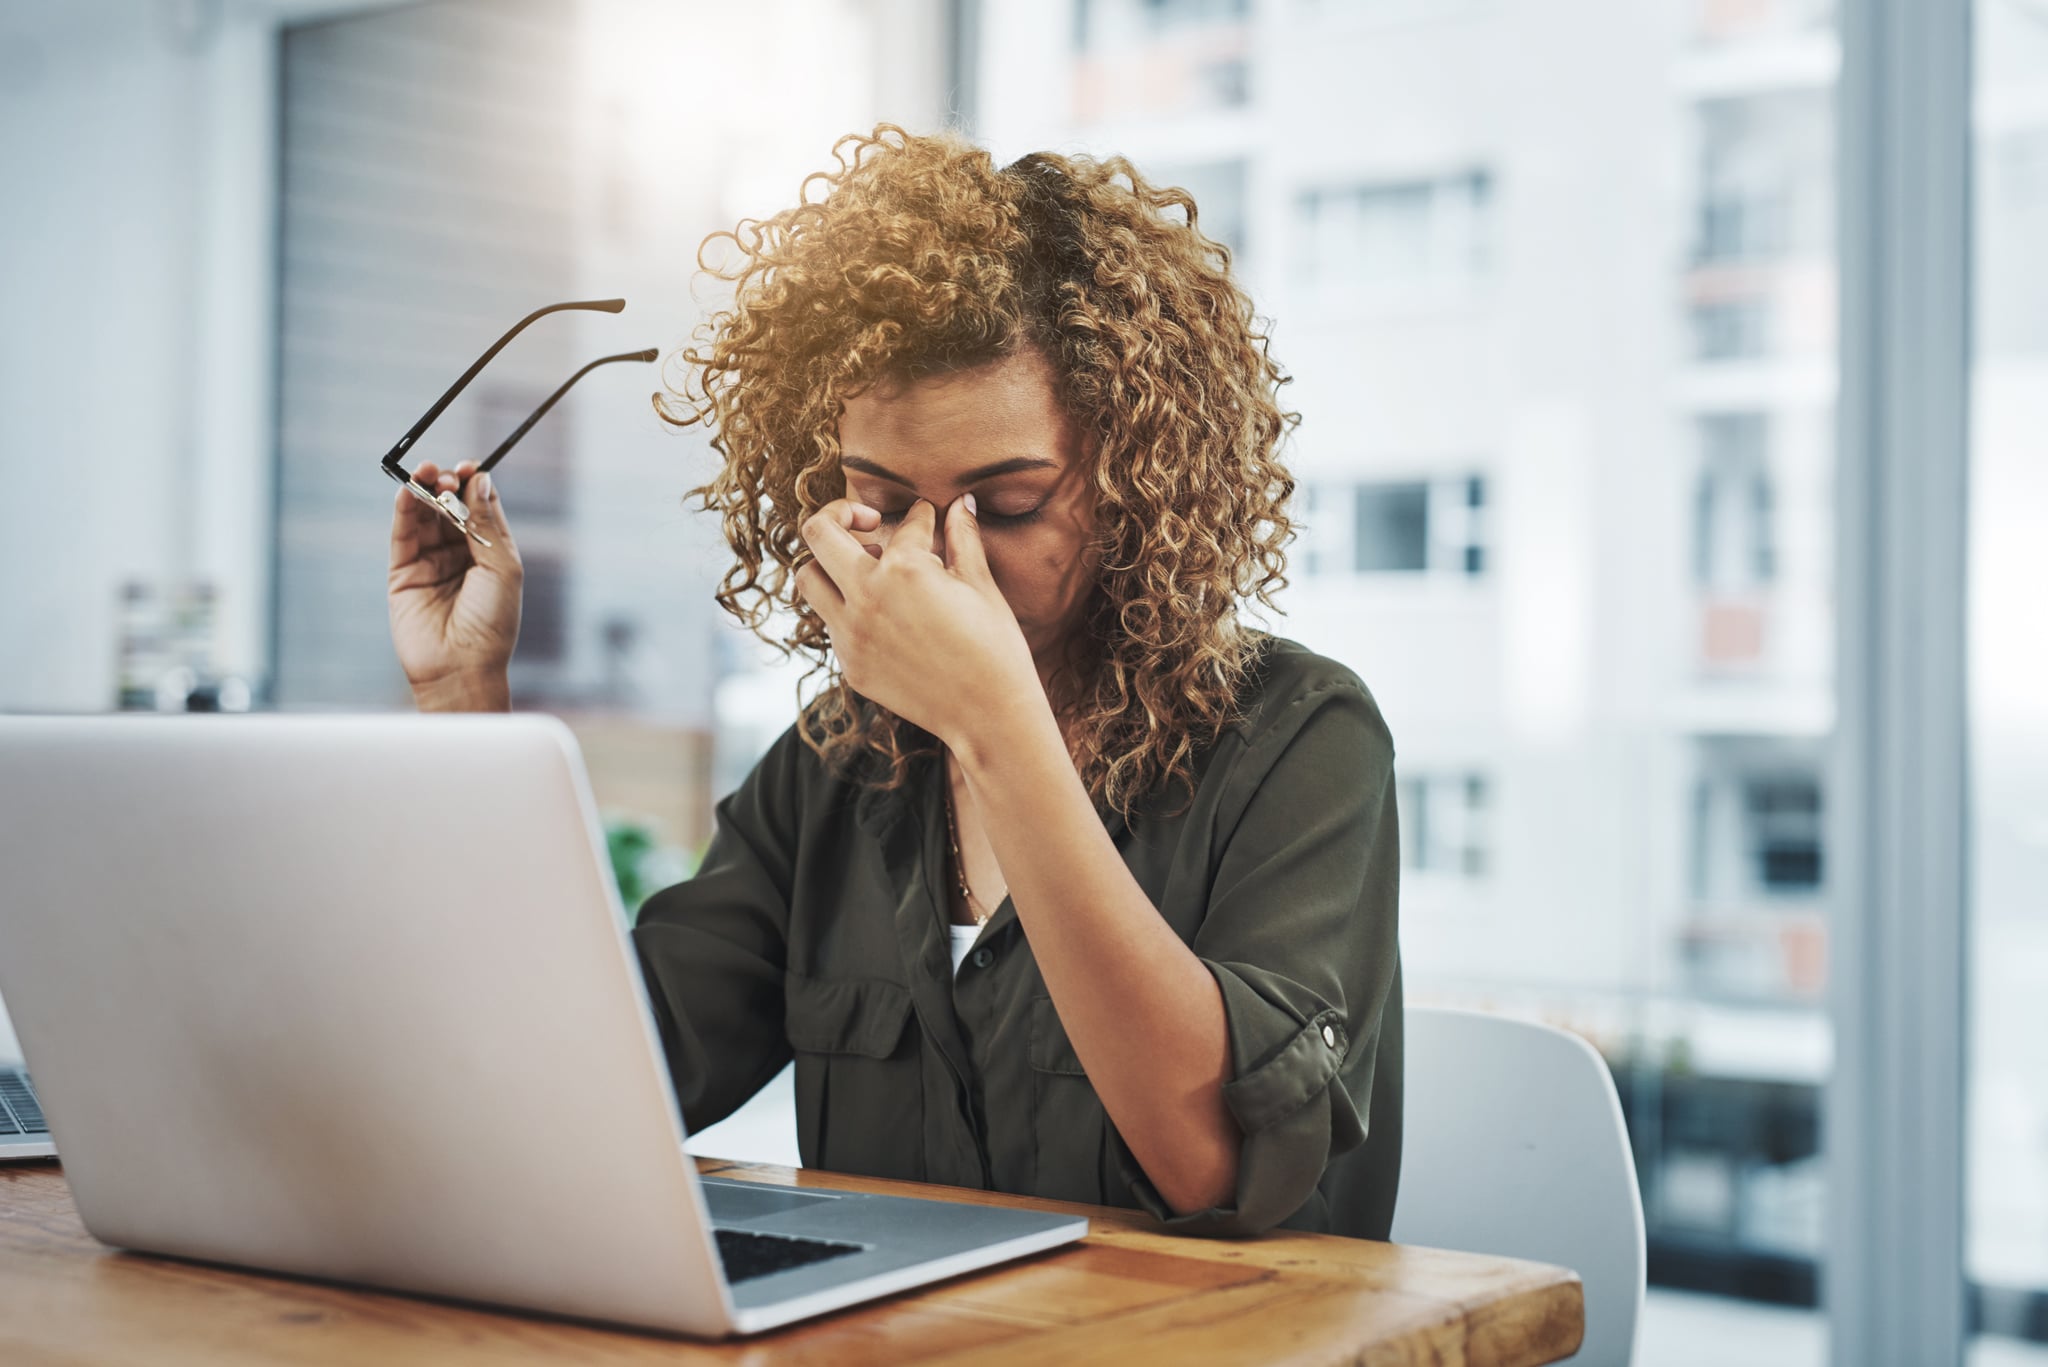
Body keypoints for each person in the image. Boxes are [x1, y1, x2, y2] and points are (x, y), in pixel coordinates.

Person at [387, 125, 1402, 1238]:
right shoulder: (835, 766)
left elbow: (1213, 1162)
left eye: (1007, 505)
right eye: (876, 499)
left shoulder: (1301, 740)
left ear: (1133, 480)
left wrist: (995, 726)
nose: (923, 559)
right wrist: (461, 705)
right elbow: (577, 1086)